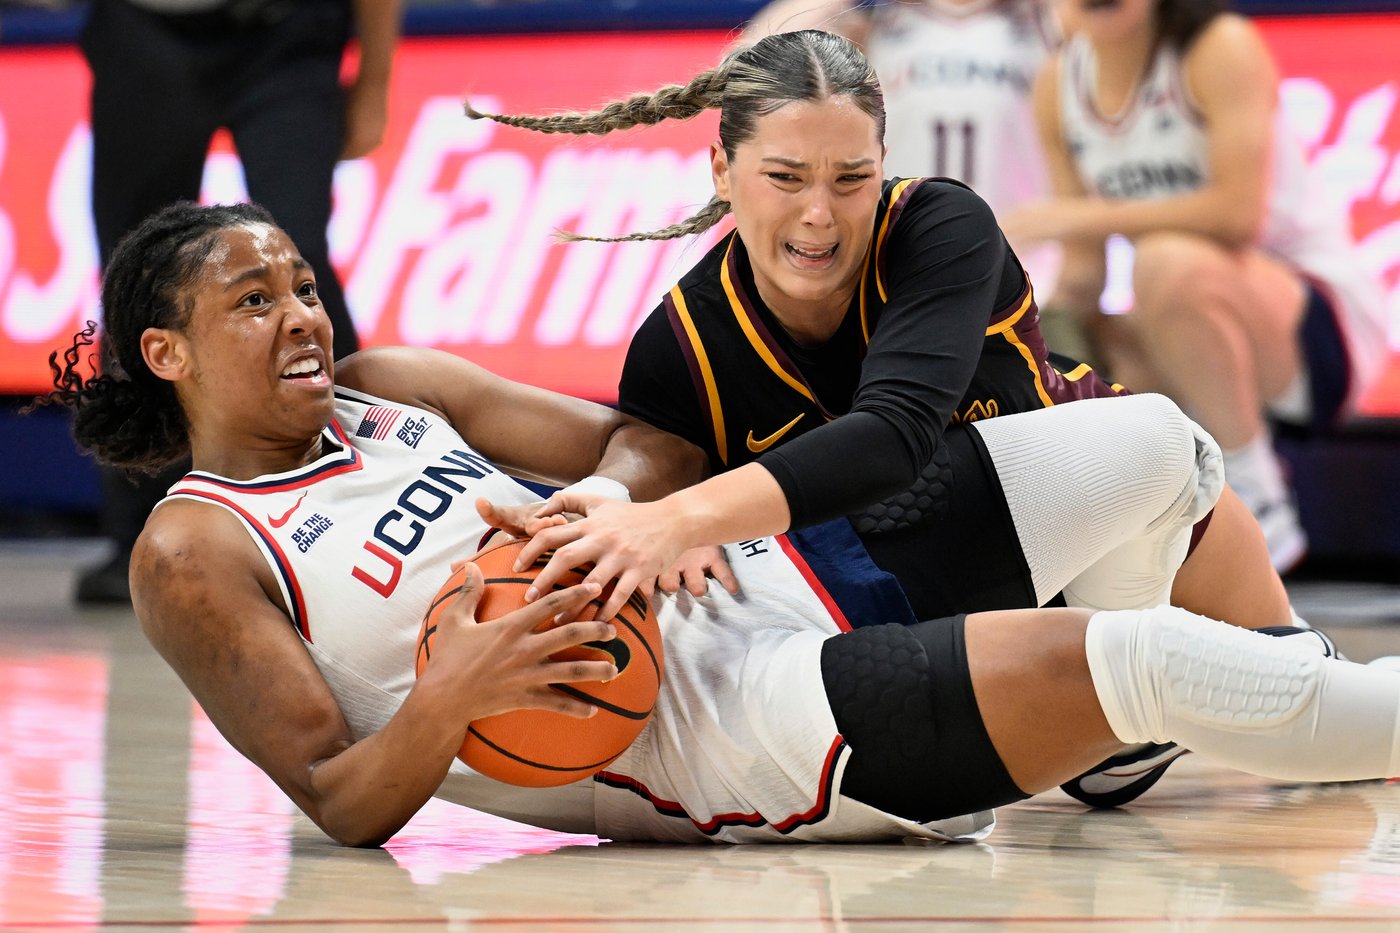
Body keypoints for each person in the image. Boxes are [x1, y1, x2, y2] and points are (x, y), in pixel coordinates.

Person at [33, 201, 1400, 848]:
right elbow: (339, 800)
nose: (304, 318)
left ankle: (1119, 757)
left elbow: (655, 439)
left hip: (759, 572)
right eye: (256, 303)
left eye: (304, 286)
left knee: (1161, 445)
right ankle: (1285, 713)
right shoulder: (192, 550)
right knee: (1135, 655)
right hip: (707, 724)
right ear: (166, 353)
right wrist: (454, 691)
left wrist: (617, 499)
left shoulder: (395, 386)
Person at [462, 29, 1310, 804]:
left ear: (884, 162)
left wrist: (676, 518)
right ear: (721, 171)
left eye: (850, 177)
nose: (819, 214)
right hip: (975, 626)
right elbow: (651, 469)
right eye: (784, 177)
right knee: (1102, 757)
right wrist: (637, 514)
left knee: (1321, 718)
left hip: (1151, 516)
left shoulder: (940, 227)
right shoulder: (681, 349)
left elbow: (895, 437)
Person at [1001, 0, 1390, 572]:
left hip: (1314, 324)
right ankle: (1156, 521)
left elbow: (1238, 216)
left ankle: (1258, 499)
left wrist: (1067, 217)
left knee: (1165, 266)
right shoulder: (1057, 84)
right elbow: (1087, 274)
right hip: (1189, 331)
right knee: (1088, 337)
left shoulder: (1217, 46)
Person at [72, 0, 401, 604]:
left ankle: (372, 495)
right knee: (138, 281)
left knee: (297, 263)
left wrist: (375, 81)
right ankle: (144, 535)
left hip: (289, 33)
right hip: (146, 29)